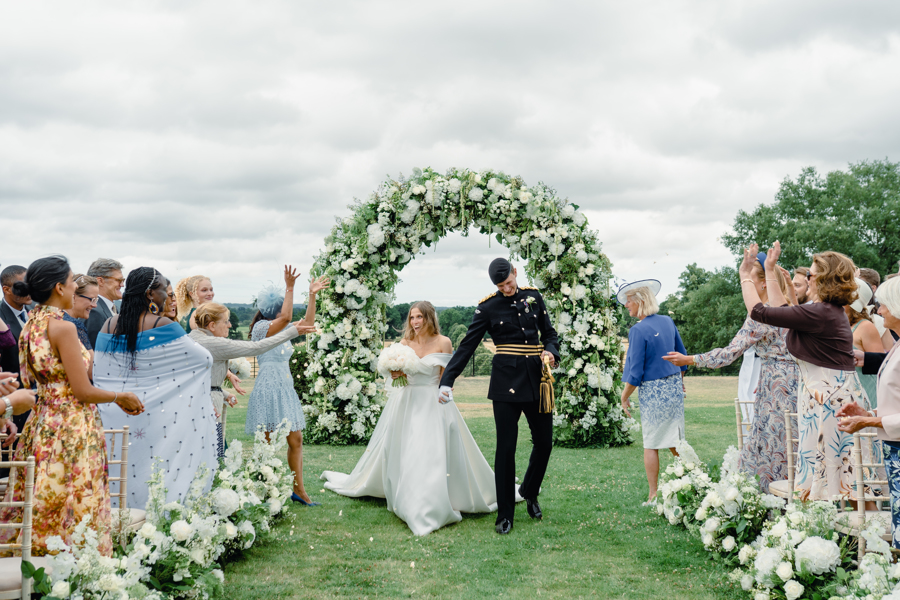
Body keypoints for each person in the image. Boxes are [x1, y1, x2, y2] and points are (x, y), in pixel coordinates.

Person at [323, 301, 510, 535]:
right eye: (412, 318)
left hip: (433, 402)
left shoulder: (444, 342)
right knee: (406, 449)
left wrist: (445, 394)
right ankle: (407, 494)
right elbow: (395, 378)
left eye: (419, 317)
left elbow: (446, 376)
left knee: (429, 452)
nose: (415, 322)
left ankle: (430, 501)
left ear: (429, 318)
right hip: (406, 402)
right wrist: (395, 372)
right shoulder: (403, 344)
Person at [0, 256, 143, 557]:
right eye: (71, 283)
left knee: (44, 496)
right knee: (77, 496)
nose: (75, 286)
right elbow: (82, 390)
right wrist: (121, 397)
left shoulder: (31, 324)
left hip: (41, 423)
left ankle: (37, 565)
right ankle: (79, 565)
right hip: (72, 426)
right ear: (58, 287)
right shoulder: (62, 328)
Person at [739, 243, 879, 503]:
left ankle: (852, 531)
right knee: (841, 472)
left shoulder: (821, 313)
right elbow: (781, 313)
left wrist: (746, 276)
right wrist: (769, 269)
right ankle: (850, 531)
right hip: (822, 397)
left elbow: (759, 312)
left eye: (811, 275)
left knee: (843, 472)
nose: (807, 279)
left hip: (828, 399)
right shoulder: (825, 311)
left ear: (824, 279)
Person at [437, 258, 559, 535]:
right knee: (506, 448)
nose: (506, 289)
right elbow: (467, 346)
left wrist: (551, 350)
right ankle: (505, 514)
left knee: (545, 442)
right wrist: (448, 380)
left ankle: (528, 490)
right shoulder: (488, 307)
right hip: (506, 384)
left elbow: (549, 334)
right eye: (501, 285)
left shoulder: (534, 297)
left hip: (538, 379)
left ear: (516, 273)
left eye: (509, 283)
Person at [664, 253, 798, 493]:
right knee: (791, 440)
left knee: (772, 443)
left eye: (749, 281)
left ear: (764, 283)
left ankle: (770, 500)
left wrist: (691, 359)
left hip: (776, 386)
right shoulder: (787, 307)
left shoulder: (762, 315)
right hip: (791, 380)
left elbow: (729, 353)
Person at [94, 267, 215, 509]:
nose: (166, 298)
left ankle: (119, 517)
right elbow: (204, 360)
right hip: (157, 418)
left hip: (117, 414)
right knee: (157, 467)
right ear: (150, 294)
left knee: (126, 467)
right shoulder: (162, 325)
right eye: (163, 291)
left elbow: (101, 372)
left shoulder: (108, 324)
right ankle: (158, 518)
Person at [189, 302, 315, 459]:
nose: (229, 325)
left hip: (196, 403)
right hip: (206, 406)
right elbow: (255, 348)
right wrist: (292, 332)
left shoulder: (192, 338)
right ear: (212, 325)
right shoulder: (213, 343)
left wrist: (223, 392)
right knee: (210, 459)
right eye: (226, 321)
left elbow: (196, 379)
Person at [246, 267, 329, 505]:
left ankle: (299, 491)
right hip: (267, 390)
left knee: (296, 440)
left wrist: (311, 295)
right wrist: (290, 287)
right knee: (267, 443)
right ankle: (261, 491)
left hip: (285, 389)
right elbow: (285, 318)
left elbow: (309, 322)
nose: (285, 311)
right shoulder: (262, 329)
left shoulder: (284, 329)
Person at [837, 275, 900, 548]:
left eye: (883, 304)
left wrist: (870, 420)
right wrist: (867, 411)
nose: (879, 310)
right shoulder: (897, 346)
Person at [618, 280, 687, 505]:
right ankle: (691, 481)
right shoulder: (667, 321)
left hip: (654, 391)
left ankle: (653, 495)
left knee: (651, 442)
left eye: (629, 300)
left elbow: (635, 372)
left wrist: (624, 396)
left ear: (640, 300)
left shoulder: (637, 330)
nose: (626, 305)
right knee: (675, 438)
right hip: (674, 386)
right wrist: (679, 381)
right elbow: (682, 357)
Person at [0, 265, 32, 435]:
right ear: (7, 289)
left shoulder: (34, 311)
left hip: (35, 400)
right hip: (12, 402)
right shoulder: (0, 317)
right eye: (23, 285)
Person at [848, 278, 885, 408]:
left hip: (865, 392)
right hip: (842, 393)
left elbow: (880, 368)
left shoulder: (865, 327)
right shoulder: (834, 325)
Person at [85, 258, 125, 348]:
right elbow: (96, 350)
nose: (122, 285)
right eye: (119, 280)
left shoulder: (117, 308)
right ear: (100, 281)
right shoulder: (94, 311)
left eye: (123, 280)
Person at [63, 274, 99, 356]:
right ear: (74, 296)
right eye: (92, 299)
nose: (95, 305)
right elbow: (91, 367)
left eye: (96, 300)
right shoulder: (75, 326)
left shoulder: (53, 318)